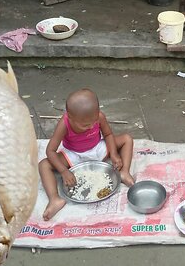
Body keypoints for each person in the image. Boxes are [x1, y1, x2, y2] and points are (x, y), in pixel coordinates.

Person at [39, 88, 135, 221]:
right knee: (44, 165)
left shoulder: (99, 116)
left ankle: (124, 172)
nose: (90, 127)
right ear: (70, 117)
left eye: (93, 123)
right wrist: (64, 171)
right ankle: (55, 199)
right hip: (74, 155)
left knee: (127, 139)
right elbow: (50, 151)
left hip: (97, 149)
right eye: (85, 125)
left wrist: (113, 153)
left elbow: (108, 134)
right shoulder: (64, 124)